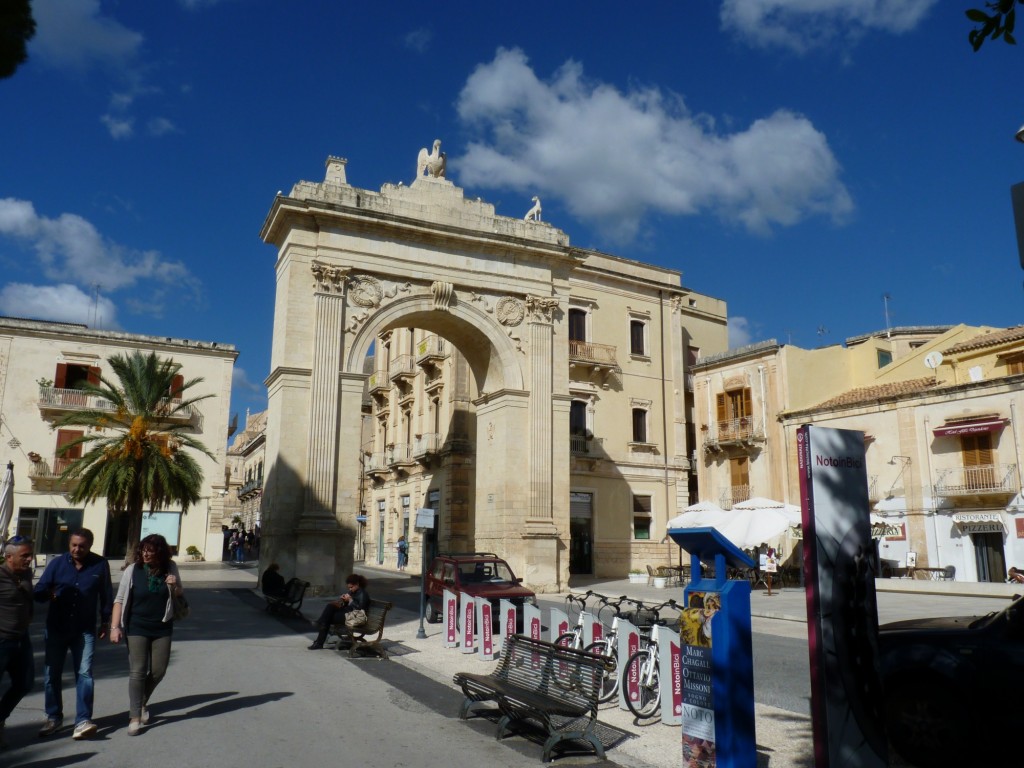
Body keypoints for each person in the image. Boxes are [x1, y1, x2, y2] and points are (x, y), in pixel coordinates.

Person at [33, 528, 113, 740]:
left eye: (82, 546)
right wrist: (50, 593)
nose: (77, 549)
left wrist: (105, 622)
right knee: (52, 674)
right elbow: (39, 591)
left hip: (84, 629)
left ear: (90, 546)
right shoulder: (57, 564)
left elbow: (106, 595)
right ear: (69, 545)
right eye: (74, 545)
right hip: (56, 628)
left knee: (85, 674)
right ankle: (53, 717)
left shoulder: (100, 564)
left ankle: (83, 720)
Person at [110, 534, 185, 736]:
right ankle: (135, 716)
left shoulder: (170, 568)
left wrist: (174, 585)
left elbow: (179, 593)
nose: (145, 553)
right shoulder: (133, 570)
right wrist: (114, 627)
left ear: (160, 553)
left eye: (150, 550)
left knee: (159, 670)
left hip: (162, 626)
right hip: (137, 626)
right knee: (138, 671)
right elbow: (119, 599)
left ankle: (141, 701)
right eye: (143, 549)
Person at [0, 536, 35, 750]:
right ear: (9, 557)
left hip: (22, 638)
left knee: (24, 683)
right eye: (25, 556)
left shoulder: (26, 573)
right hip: (2, 640)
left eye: (30, 554)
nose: (30, 559)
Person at [308, 573, 370, 650]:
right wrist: (343, 600)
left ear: (357, 584)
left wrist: (350, 600)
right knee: (330, 606)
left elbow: (361, 609)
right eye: (349, 587)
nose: (350, 589)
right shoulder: (353, 592)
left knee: (327, 619)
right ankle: (320, 630)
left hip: (354, 617)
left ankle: (319, 640)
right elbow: (348, 604)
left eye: (351, 587)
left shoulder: (363, 594)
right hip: (348, 614)